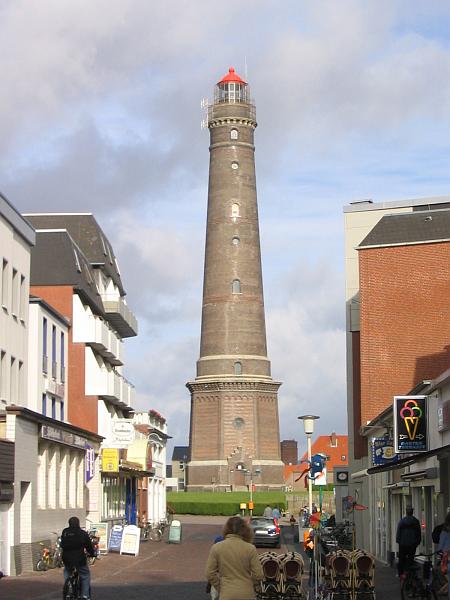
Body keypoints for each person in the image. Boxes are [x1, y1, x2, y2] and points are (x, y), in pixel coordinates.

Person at [205, 516, 264, 600]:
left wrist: (219, 587)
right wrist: (251, 584)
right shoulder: (250, 548)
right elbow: (258, 575)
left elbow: (209, 573)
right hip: (246, 593)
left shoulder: (217, 547)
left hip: (226, 592)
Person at [60, 516, 95, 600]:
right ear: (78, 523)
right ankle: (85, 596)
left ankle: (68, 586)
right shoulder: (82, 533)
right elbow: (88, 546)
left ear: (69, 524)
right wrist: (92, 553)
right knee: (85, 575)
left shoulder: (65, 532)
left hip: (66, 559)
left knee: (67, 571)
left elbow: (62, 544)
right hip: (79, 559)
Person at [396, 506, 421, 578]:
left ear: (406, 512)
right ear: (412, 512)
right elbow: (418, 532)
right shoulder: (415, 521)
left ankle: (400, 574)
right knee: (410, 559)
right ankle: (409, 573)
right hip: (412, 544)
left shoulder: (402, 521)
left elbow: (398, 532)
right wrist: (417, 542)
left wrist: (398, 541)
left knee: (401, 559)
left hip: (403, 544)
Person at [438, 513, 450, 599]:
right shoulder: (444, 533)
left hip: (447, 559)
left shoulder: (444, 532)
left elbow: (440, 547)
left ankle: (443, 590)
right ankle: (443, 590)